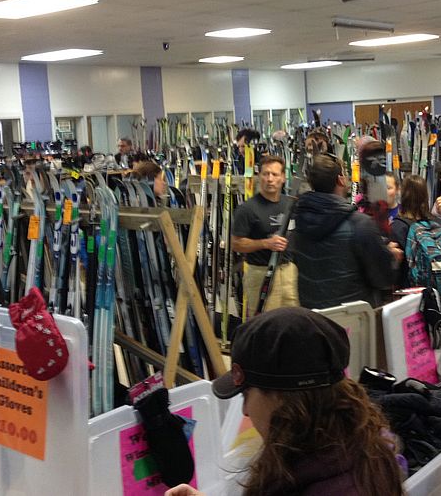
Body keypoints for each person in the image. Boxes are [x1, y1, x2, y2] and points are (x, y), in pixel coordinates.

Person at [165, 307, 404, 496]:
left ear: (285, 401)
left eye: (247, 394)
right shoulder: (363, 447)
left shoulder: (316, 476)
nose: (246, 411)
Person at [292, 153, 401, 309]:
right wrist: (390, 258)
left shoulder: (300, 221)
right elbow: (383, 279)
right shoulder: (360, 224)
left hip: (313, 319)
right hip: (353, 320)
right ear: (340, 180)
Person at [231, 154, 299, 317]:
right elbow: (236, 244)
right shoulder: (247, 209)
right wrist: (266, 244)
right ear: (259, 176)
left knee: (294, 321)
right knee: (265, 324)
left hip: (288, 272)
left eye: (274, 174)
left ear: (282, 178)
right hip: (260, 273)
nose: (270, 179)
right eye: (265, 174)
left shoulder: (290, 204)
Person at [390, 174, 441, 289]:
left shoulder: (397, 227)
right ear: (425, 196)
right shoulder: (438, 224)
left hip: (411, 295)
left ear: (403, 196)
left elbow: (394, 271)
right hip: (437, 294)